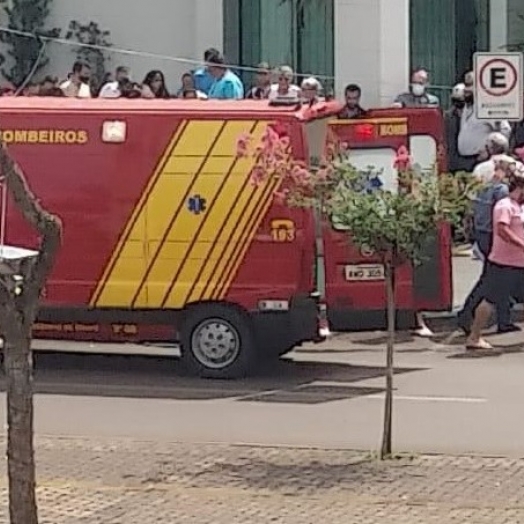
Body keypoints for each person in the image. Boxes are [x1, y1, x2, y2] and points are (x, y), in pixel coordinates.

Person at [457, 151, 520, 335]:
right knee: (490, 283)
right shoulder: (502, 192)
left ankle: (502, 319)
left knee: (496, 282)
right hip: (495, 241)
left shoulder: (487, 187)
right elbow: (505, 221)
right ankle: (467, 315)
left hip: (484, 236)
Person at [466, 168, 524, 353]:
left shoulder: (519, 207)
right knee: (489, 300)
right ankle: (474, 337)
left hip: (519, 264)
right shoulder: (504, 206)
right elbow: (502, 230)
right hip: (503, 264)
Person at [457, 71, 511, 172]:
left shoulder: (488, 106)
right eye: (466, 85)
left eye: (471, 85)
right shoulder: (467, 106)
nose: (467, 89)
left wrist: (491, 151)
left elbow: (505, 130)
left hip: (482, 160)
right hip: (464, 160)